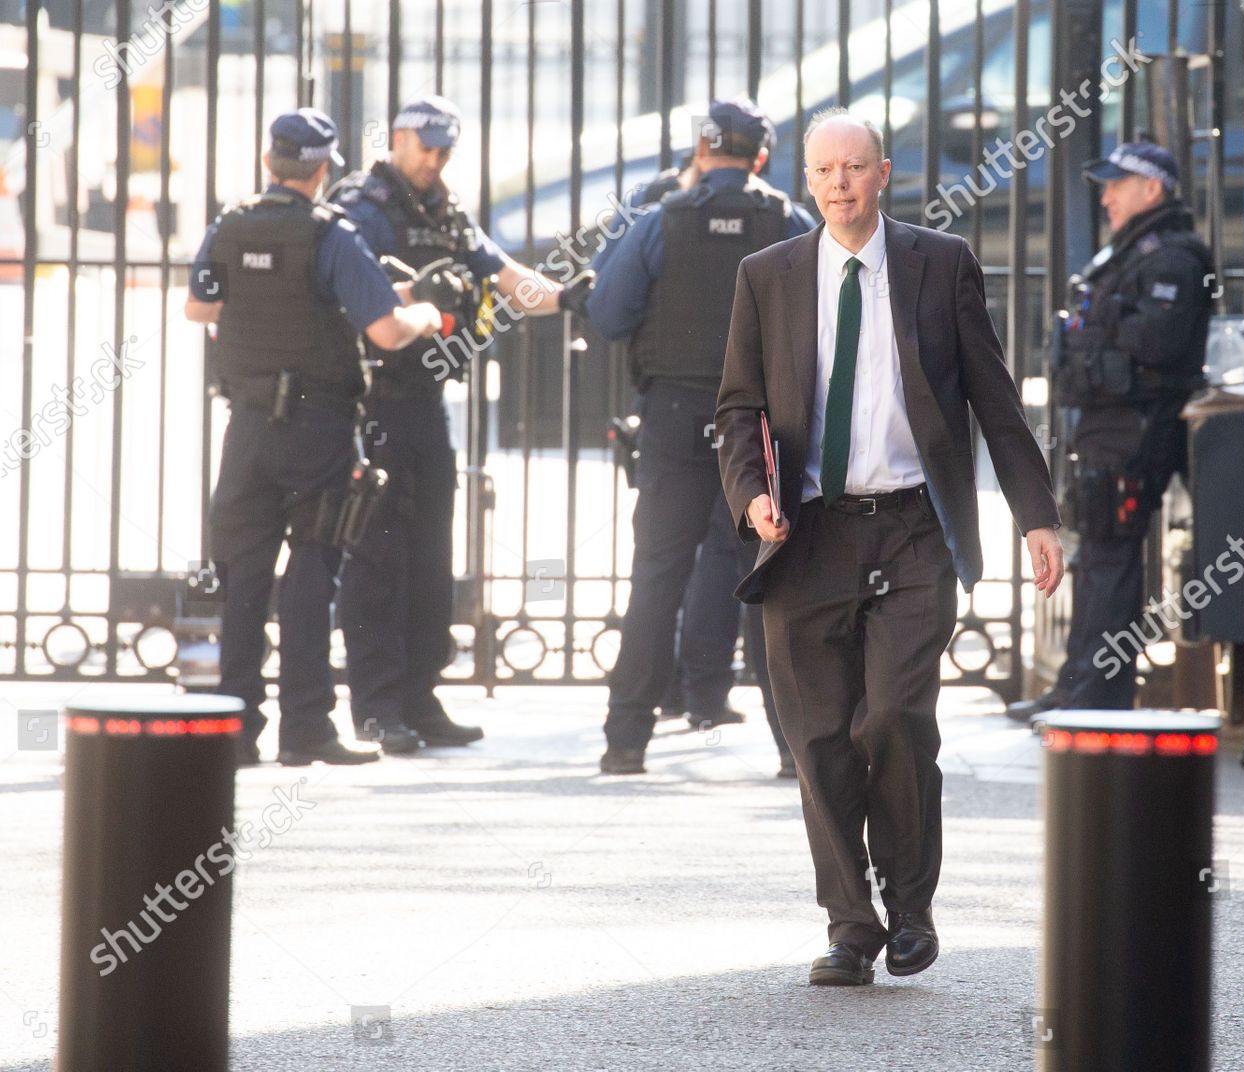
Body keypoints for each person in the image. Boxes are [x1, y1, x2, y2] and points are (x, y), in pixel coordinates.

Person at [715, 109, 1064, 986]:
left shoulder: (937, 264)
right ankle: (849, 922)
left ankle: (911, 908)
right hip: (806, 532)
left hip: (912, 527)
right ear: (807, 178)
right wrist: (752, 498)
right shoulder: (767, 275)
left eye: (856, 168)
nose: (840, 184)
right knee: (819, 735)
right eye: (825, 170)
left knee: (896, 718)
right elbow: (734, 409)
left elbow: (993, 394)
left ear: (885, 174)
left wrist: (1036, 515)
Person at [185, 108, 444, 767]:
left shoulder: (230, 224)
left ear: (271, 162)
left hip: (246, 428)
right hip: (317, 424)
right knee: (311, 571)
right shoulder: (330, 234)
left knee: (242, 576)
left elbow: (199, 306)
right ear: (324, 169)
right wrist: (422, 312)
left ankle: (236, 730)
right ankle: (306, 730)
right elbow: (385, 331)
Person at [332, 95, 590, 755]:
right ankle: (378, 708)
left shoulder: (446, 210)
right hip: (372, 400)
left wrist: (566, 297)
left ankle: (419, 698)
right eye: (426, 145)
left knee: (429, 559)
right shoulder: (360, 207)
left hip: (423, 401)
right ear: (397, 139)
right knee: (377, 558)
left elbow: (503, 278)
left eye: (445, 147)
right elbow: (344, 294)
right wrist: (416, 300)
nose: (435, 158)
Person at [587, 98, 816, 776]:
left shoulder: (662, 221)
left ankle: (625, 742)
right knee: (769, 581)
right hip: (763, 429)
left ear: (701, 149)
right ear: (763, 156)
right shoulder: (788, 222)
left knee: (657, 576)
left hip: (676, 419)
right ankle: (793, 750)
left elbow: (607, 312)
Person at [1004, 142, 1212, 723]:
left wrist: (1102, 319)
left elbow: (1157, 342)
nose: (1106, 195)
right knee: (1098, 554)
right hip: (1108, 425)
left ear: (1153, 189)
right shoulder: (1126, 254)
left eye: (1119, 184)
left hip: (1138, 427)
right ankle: (1080, 685)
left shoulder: (1173, 256)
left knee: (1110, 558)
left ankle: (1094, 694)